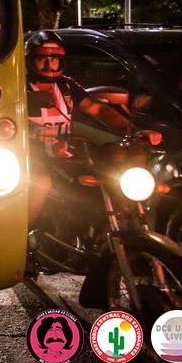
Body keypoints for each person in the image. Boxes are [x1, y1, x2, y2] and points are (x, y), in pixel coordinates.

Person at [25, 31, 130, 227]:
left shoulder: (66, 85)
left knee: (110, 173)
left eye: (54, 58)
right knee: (42, 182)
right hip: (30, 153)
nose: (49, 64)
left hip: (64, 149)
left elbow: (96, 108)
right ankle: (22, 236)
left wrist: (129, 128)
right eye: (42, 58)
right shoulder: (22, 86)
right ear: (30, 60)